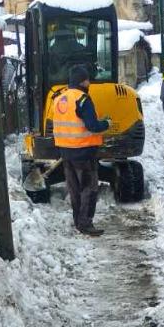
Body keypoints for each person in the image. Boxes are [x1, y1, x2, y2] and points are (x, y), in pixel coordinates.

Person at [51, 63, 111, 236]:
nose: (89, 83)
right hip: (83, 152)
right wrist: (106, 123)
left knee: (74, 189)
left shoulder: (60, 99)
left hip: (66, 152)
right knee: (89, 188)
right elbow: (92, 126)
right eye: (87, 80)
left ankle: (78, 221)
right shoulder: (82, 99)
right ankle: (85, 224)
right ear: (82, 81)